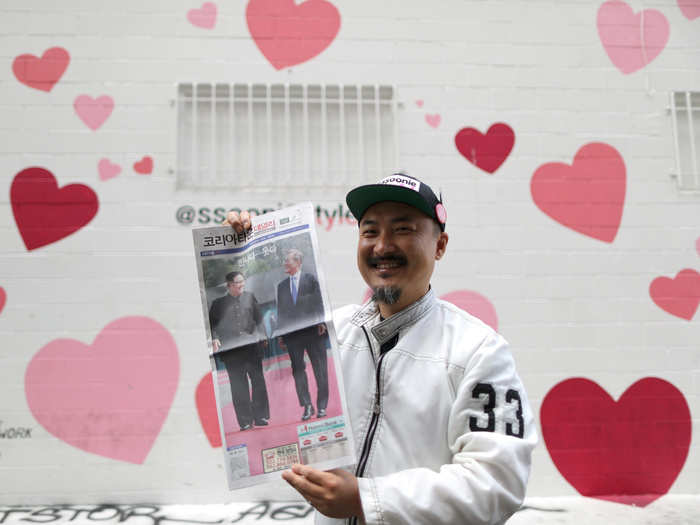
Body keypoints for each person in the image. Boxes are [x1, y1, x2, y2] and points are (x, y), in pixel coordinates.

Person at [224, 173, 537, 524]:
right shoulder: (332, 333)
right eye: (370, 231)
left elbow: (495, 484)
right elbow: (268, 374)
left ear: (440, 245)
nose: (382, 246)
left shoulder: (479, 351)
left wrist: (366, 499)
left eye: (403, 229)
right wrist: (241, 255)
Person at [209, 271, 270, 431]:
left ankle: (261, 416)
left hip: (252, 348)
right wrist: (214, 338)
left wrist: (263, 336)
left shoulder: (250, 297)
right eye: (238, 282)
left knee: (258, 381)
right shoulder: (218, 304)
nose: (242, 284)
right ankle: (244, 421)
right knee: (238, 386)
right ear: (229, 284)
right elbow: (211, 326)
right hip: (232, 352)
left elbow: (259, 320)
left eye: (243, 281)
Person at [275, 249, 329, 421]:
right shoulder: (281, 286)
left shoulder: (311, 279)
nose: (285, 263)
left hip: (313, 331)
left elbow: (319, 301)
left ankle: (321, 406)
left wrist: (321, 321)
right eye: (285, 260)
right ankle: (307, 406)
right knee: (298, 370)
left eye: (287, 260)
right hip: (293, 336)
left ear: (297, 263)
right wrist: (281, 334)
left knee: (320, 368)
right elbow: (281, 312)